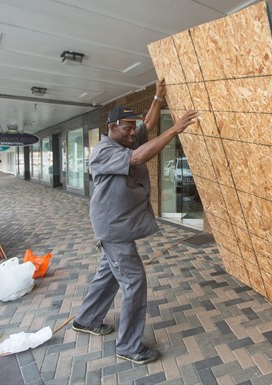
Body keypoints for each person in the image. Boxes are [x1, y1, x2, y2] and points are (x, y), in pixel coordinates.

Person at [72, 78, 198, 365]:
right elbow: (139, 156)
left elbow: (147, 127)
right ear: (111, 128)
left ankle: (86, 319)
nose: (133, 133)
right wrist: (176, 129)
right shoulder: (104, 151)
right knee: (134, 281)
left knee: (108, 275)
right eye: (127, 129)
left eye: (132, 127)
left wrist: (156, 99)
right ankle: (128, 347)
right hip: (114, 228)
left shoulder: (125, 138)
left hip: (118, 226)